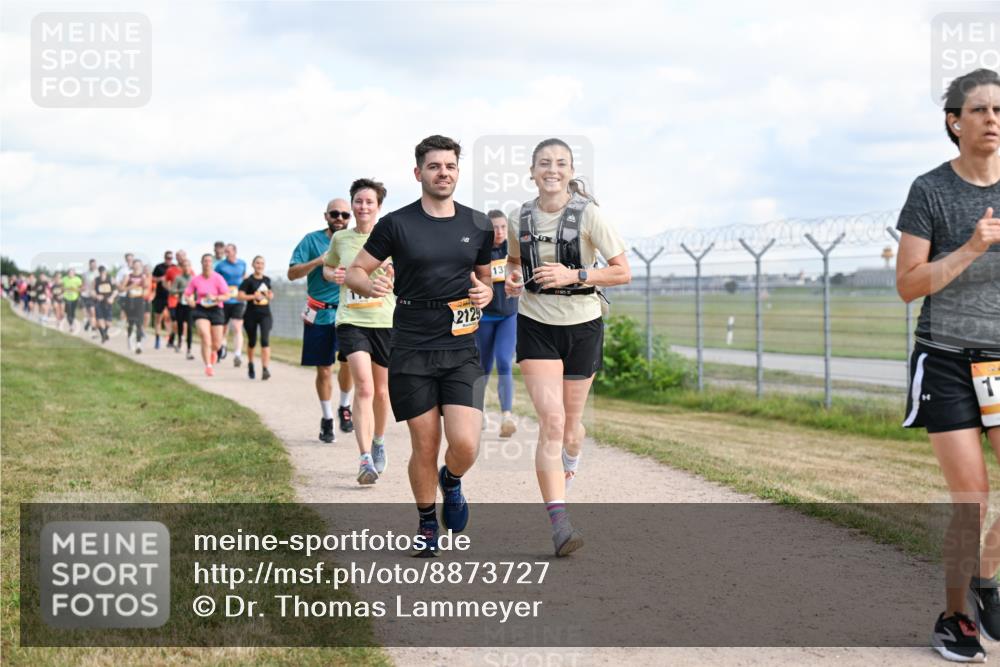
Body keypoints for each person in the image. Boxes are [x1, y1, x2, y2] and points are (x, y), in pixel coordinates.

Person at [894, 68, 1000, 663]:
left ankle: (986, 578)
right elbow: (908, 285)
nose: (992, 119)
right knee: (973, 499)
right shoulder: (931, 190)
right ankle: (955, 617)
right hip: (947, 362)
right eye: (980, 110)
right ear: (954, 122)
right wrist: (972, 247)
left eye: (999, 110)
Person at [346, 135, 493, 555]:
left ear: (458, 171)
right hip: (411, 345)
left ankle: (452, 479)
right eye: (434, 166)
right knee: (425, 443)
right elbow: (356, 271)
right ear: (418, 173)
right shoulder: (397, 224)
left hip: (460, 346)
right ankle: (427, 522)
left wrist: (484, 292)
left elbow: (484, 278)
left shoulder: (478, 224)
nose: (443, 173)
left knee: (465, 443)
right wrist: (369, 284)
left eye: (450, 166)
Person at [505, 137, 631, 557]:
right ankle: (560, 524)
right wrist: (511, 278)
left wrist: (574, 275)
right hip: (535, 324)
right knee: (552, 421)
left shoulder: (590, 215)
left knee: (572, 430)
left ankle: (570, 463)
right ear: (532, 171)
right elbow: (513, 263)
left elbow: (622, 272)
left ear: (571, 171)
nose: (552, 170)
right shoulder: (519, 216)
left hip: (582, 326)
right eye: (544, 163)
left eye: (561, 163)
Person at [324, 178, 395, 485]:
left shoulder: (391, 237)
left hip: (385, 320)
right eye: (358, 201)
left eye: (369, 202)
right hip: (351, 319)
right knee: (364, 387)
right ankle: (365, 458)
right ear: (352, 205)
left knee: (382, 392)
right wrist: (334, 275)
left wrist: (394, 275)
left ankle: (378, 441)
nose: (363, 206)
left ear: (378, 207)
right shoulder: (341, 239)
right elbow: (328, 267)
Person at [288, 198, 356, 443]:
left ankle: (345, 406)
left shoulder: (355, 240)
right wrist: (318, 261)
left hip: (348, 312)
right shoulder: (311, 240)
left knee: (349, 364)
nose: (339, 219)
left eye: (344, 215)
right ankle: (327, 418)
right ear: (326, 216)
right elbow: (292, 273)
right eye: (335, 214)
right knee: (324, 369)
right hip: (320, 313)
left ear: (350, 218)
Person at [475, 210, 519, 437]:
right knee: (482, 366)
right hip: (484, 318)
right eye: (494, 228)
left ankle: (506, 416)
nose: (500, 232)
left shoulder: (513, 250)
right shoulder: (479, 251)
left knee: (504, 361)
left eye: (503, 227)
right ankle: (479, 412)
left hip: (508, 316)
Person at [184, 253, 230, 376]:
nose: (207, 263)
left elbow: (227, 295)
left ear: (212, 264)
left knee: (217, 344)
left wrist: (216, 297)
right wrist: (190, 300)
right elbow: (187, 294)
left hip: (216, 309)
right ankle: (208, 366)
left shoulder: (218, 278)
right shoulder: (196, 279)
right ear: (202, 263)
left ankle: (214, 352)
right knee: (205, 336)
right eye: (205, 261)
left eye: (210, 261)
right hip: (201, 309)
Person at [238, 256, 274, 381]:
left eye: (262, 263)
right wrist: (254, 296)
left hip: (265, 314)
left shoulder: (267, 280)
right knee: (252, 341)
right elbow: (240, 296)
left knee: (265, 340)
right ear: (253, 265)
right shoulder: (248, 281)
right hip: (251, 314)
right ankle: (251, 364)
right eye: (257, 263)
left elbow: (270, 293)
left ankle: (265, 369)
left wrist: (270, 295)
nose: (259, 265)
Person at [215, 244, 248, 367]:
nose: (226, 253)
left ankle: (237, 355)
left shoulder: (242, 264)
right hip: (224, 301)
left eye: (228, 251)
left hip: (238, 301)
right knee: (223, 329)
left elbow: (244, 278)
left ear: (235, 251)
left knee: (237, 327)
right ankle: (222, 346)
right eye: (225, 251)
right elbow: (215, 280)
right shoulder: (220, 266)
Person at [119, 259, 149, 354]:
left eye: (139, 265)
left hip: (139, 301)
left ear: (141, 266)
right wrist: (130, 287)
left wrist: (144, 284)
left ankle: (138, 345)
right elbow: (121, 289)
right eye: (135, 265)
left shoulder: (143, 276)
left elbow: (146, 287)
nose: (137, 267)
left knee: (139, 323)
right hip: (130, 301)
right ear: (133, 266)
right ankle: (129, 338)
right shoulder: (128, 276)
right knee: (131, 323)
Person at [171, 258, 195, 359]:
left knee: (189, 327)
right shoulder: (178, 278)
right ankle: (180, 341)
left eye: (188, 266)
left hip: (190, 305)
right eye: (184, 266)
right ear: (181, 268)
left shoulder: (194, 278)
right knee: (180, 325)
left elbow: (198, 290)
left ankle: (189, 349)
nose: (186, 268)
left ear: (191, 267)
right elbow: (172, 290)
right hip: (181, 304)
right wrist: (183, 291)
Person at [151, 250, 175, 349]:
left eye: (171, 258)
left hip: (171, 297)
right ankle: (157, 339)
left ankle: (171, 339)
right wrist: (160, 279)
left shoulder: (175, 268)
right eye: (167, 258)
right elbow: (152, 278)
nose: (169, 260)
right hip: (159, 296)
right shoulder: (159, 267)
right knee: (158, 319)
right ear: (164, 258)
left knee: (172, 319)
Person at [164, 250, 186, 351]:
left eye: (183, 255)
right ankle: (173, 337)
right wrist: (171, 290)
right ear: (176, 258)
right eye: (179, 256)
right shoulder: (171, 270)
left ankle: (180, 341)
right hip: (173, 300)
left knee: (184, 322)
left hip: (185, 300)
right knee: (175, 322)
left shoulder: (189, 269)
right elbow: (164, 282)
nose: (181, 258)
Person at [92, 265, 116, 343]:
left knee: (108, 323)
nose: (102, 274)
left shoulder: (111, 279)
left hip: (108, 302)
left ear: (106, 272)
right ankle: (103, 336)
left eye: (103, 272)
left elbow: (116, 290)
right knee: (99, 320)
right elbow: (92, 291)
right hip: (99, 302)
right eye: (101, 272)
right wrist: (96, 296)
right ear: (99, 273)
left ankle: (105, 333)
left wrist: (112, 298)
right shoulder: (96, 280)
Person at [62, 267, 83, 333]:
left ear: (74, 273)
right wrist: (64, 289)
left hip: (75, 298)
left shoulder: (78, 279)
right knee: (69, 311)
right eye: (69, 272)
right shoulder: (64, 279)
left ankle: (72, 322)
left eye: (71, 272)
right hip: (66, 297)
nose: (70, 274)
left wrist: (77, 289)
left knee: (72, 311)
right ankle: (71, 325)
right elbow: (61, 287)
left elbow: (81, 288)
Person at [82, 259, 99, 335]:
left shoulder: (98, 273)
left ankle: (89, 323)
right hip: (87, 295)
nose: (93, 266)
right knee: (92, 312)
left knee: (95, 313)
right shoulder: (85, 273)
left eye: (94, 264)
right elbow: (83, 284)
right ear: (89, 265)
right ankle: (93, 329)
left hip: (97, 295)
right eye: (92, 264)